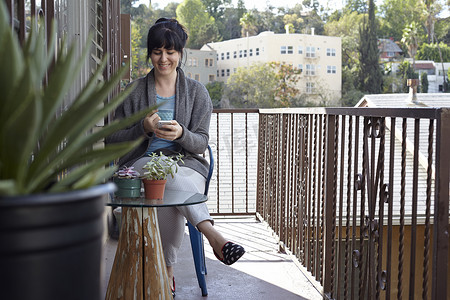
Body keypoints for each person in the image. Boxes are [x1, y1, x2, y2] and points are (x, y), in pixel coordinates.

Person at [105, 18, 245, 296]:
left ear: (181, 54)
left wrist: (182, 133)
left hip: (187, 165)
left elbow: (201, 144)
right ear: (150, 54)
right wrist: (143, 129)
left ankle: (166, 273)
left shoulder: (197, 93)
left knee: (169, 187)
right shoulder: (133, 93)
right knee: (164, 178)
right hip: (143, 163)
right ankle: (213, 237)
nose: (164, 58)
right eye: (157, 51)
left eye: (170, 52)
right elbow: (112, 141)